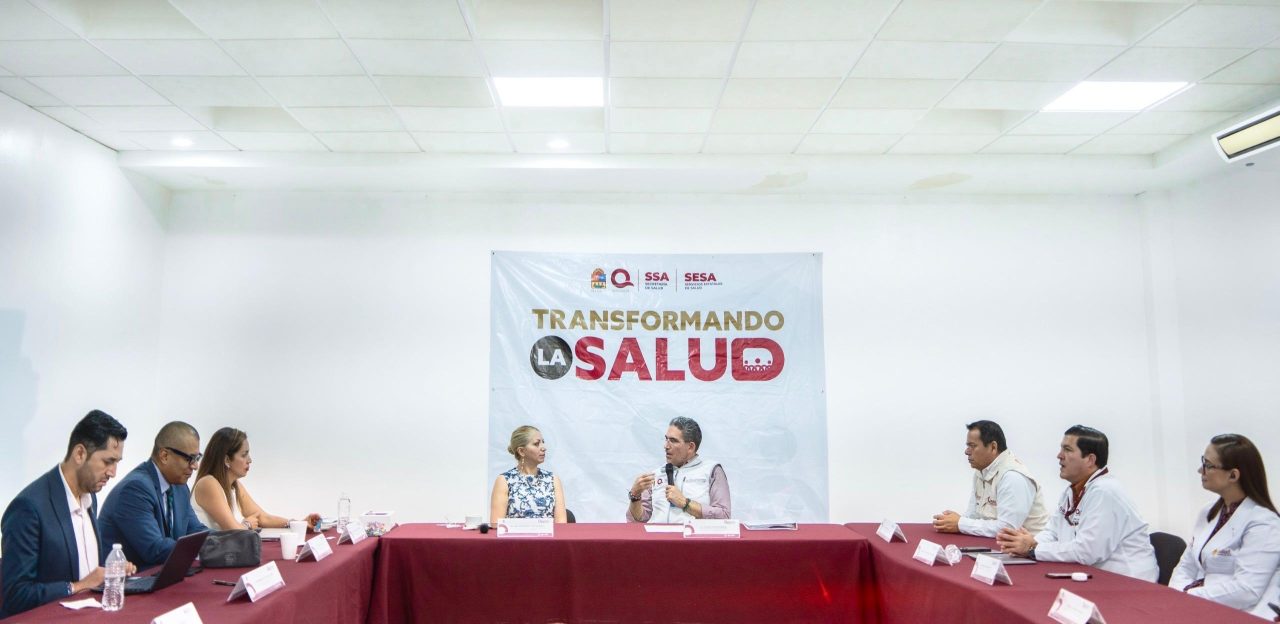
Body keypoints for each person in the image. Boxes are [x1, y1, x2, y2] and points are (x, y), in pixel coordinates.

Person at [1, 410, 136, 618]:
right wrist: (78, 586)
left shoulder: (91, 497)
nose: (113, 472)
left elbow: (88, 571)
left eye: (117, 462)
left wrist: (109, 572)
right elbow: (16, 596)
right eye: (108, 462)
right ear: (80, 454)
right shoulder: (28, 508)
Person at [996, 425, 1158, 581]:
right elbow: (1052, 533)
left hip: (1128, 581)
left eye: (1067, 450)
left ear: (1090, 460)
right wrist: (1028, 543)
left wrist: (1033, 548)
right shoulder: (1073, 490)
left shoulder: (1105, 492)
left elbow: (1087, 551)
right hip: (1094, 575)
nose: (1059, 455)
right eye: (1061, 449)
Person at [1169, 434, 1280, 617]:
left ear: (1233, 475)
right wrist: (1177, 594)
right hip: (1199, 605)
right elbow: (1186, 566)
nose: (1200, 470)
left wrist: (1189, 596)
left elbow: (1247, 590)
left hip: (1242, 613)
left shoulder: (1264, 523)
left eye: (1208, 465)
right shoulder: (1208, 512)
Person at [99, 421, 208, 567]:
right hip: (129, 578)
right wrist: (203, 549)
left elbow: (196, 532)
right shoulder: (135, 489)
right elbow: (155, 549)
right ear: (164, 456)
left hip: (163, 573)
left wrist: (231, 541)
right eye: (190, 459)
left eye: (197, 458)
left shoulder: (180, 487)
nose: (195, 466)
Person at [933, 420, 1050, 537]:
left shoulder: (1013, 477)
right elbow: (973, 515)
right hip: (999, 544)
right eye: (967, 446)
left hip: (1032, 547)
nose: (966, 452)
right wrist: (951, 522)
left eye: (972, 446)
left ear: (993, 447)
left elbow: (1007, 529)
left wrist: (961, 524)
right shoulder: (981, 472)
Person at [191, 427, 322, 531]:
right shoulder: (208, 483)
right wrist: (247, 525)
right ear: (227, 460)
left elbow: (262, 518)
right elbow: (233, 530)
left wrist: (298, 523)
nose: (250, 460)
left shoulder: (235, 485)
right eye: (244, 455)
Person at [627, 417, 730, 523]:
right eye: (666, 439)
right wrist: (635, 496)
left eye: (673, 441)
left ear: (690, 447)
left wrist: (685, 503)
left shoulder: (711, 471)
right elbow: (639, 521)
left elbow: (723, 515)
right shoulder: (655, 475)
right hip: (658, 534)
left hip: (691, 534)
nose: (666, 446)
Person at [489, 425, 567, 523]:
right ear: (521, 451)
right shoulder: (504, 480)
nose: (543, 448)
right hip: (515, 533)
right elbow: (496, 524)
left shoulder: (553, 480)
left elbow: (561, 523)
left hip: (549, 534)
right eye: (536, 444)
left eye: (543, 442)